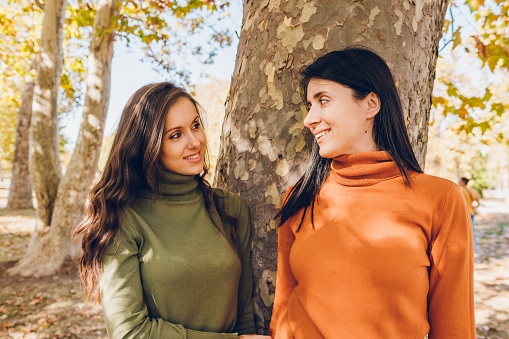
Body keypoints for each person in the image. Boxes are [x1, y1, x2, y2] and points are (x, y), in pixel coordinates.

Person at [268, 48, 475, 338]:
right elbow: (283, 304)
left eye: (323, 101)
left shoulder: (440, 200)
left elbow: (455, 327)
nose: (309, 119)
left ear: (370, 105)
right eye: (309, 105)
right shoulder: (299, 198)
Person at [72, 82, 269, 339]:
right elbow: (128, 332)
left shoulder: (229, 208)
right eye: (175, 135)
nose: (195, 141)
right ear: (147, 145)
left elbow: (242, 311)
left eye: (195, 126)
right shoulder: (122, 218)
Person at [459, 177, 481, 251]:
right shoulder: (473, 190)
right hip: (471, 213)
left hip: (462, 213)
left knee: (461, 232)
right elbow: (478, 203)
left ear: (463, 182)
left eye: (460, 181)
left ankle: (463, 249)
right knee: (472, 231)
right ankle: (474, 249)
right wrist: (473, 207)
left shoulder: (459, 190)